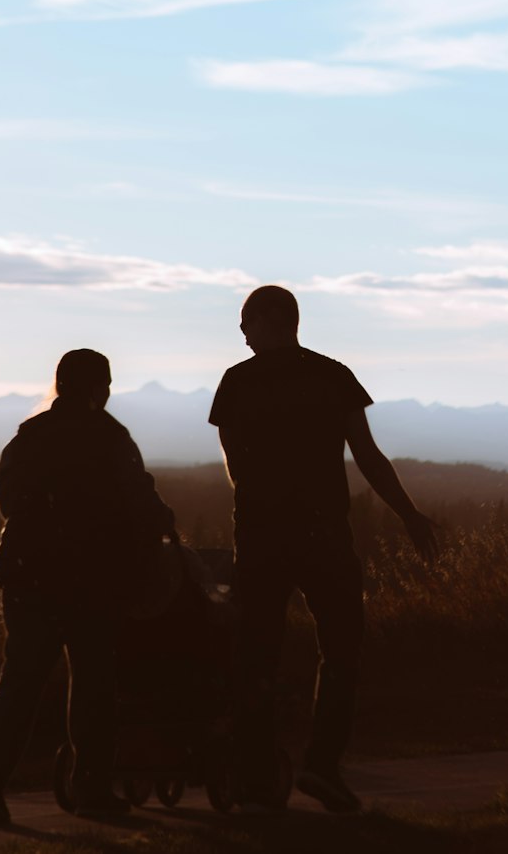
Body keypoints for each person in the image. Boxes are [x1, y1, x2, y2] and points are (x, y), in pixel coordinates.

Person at [209, 284, 437, 814]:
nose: (241, 331)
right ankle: (321, 765)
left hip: (262, 538)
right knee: (341, 652)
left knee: (255, 656)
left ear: (271, 320)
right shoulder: (332, 375)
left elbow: (235, 468)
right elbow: (369, 457)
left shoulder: (237, 382)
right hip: (324, 535)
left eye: (246, 321)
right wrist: (407, 514)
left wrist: (266, 497)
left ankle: (253, 777)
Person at [0, 348, 175, 829]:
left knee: (20, 680)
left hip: (27, 577)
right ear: (100, 387)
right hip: (93, 581)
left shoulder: (30, 435)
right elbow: (140, 501)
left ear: (59, 385)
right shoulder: (111, 437)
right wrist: (162, 526)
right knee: (94, 683)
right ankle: (93, 789)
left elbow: (8, 501)